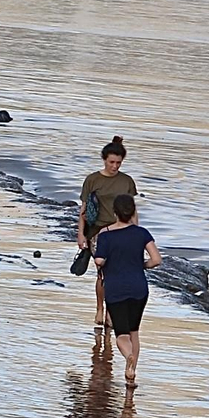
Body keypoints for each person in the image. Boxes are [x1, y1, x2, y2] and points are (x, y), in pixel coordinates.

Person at [92, 193, 160, 389]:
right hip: (139, 286)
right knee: (134, 332)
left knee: (121, 334)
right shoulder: (142, 233)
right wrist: (142, 265)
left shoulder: (105, 235)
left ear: (114, 213)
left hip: (116, 288)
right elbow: (156, 259)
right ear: (133, 213)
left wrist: (102, 259)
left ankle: (128, 356)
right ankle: (132, 372)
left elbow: (99, 261)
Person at [79, 137, 139, 341]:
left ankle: (110, 313)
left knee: (117, 274)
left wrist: (136, 233)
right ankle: (99, 308)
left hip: (123, 232)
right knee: (103, 273)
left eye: (118, 163)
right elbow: (84, 211)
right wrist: (81, 235)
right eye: (111, 162)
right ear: (104, 160)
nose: (114, 166)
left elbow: (132, 210)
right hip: (99, 231)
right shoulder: (92, 180)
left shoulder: (127, 181)